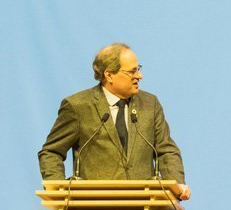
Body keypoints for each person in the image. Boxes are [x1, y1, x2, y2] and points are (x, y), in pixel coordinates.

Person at [38, 43, 190, 199]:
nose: (139, 76)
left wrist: (177, 184)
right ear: (109, 75)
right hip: (93, 208)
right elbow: (51, 152)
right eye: (132, 71)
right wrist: (57, 188)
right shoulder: (78, 106)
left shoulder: (150, 104)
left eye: (139, 68)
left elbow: (166, 150)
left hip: (145, 208)